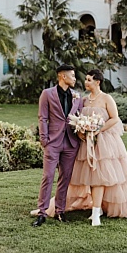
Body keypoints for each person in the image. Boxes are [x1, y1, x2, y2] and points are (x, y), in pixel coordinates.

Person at [59, 70, 127, 225]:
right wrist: (82, 131)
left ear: (98, 82)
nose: (86, 82)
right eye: (86, 79)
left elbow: (115, 118)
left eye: (89, 80)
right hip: (87, 143)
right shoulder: (83, 100)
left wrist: (98, 129)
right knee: (90, 175)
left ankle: (96, 212)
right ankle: (98, 208)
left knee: (100, 176)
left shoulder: (106, 98)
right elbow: (77, 118)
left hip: (104, 143)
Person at [33, 65, 83, 226]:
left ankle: (60, 211)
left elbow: (79, 118)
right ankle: (42, 212)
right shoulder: (47, 94)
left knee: (65, 178)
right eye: (73, 76)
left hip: (70, 143)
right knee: (48, 177)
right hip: (52, 143)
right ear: (62, 76)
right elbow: (42, 118)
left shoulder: (77, 96)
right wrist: (44, 139)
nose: (75, 79)